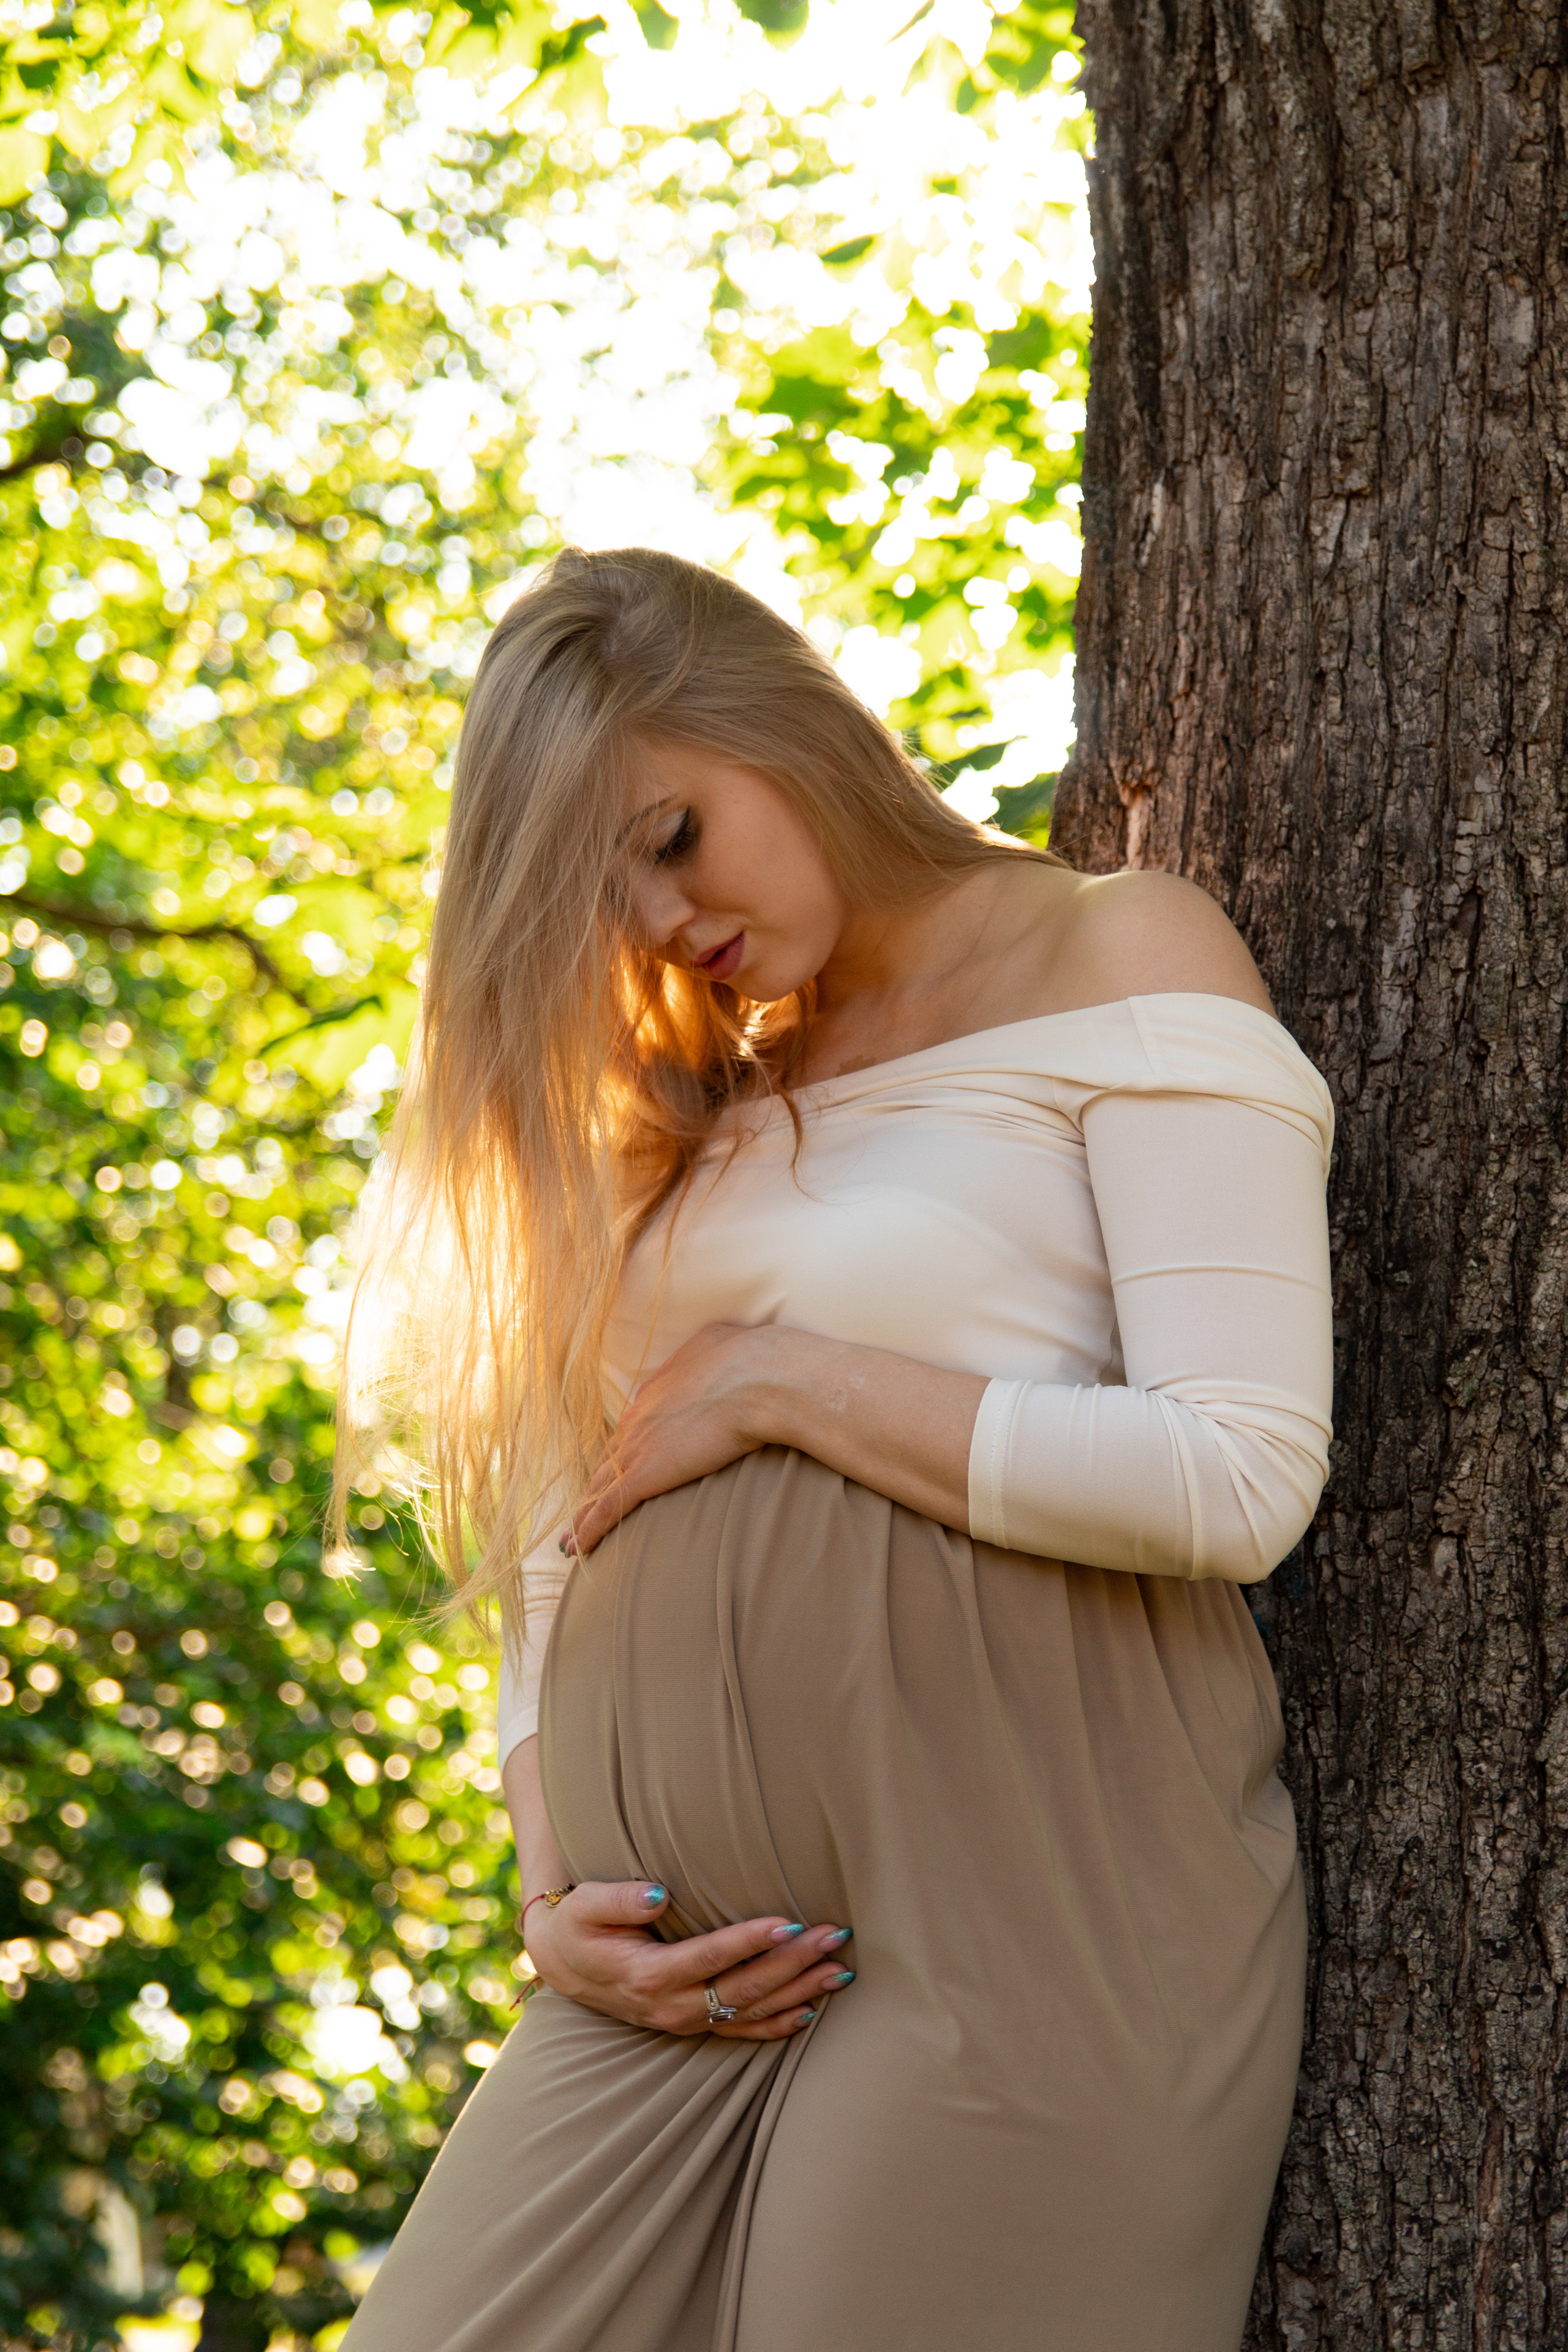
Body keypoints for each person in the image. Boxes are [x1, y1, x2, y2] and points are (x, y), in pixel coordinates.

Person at [339, 545, 1333, 2352]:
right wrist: (550, 1872)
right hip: (666, 1972)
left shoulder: (1115, 948)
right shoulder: (704, 1091)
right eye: (605, 896)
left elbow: (1238, 1471)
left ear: (777, 726)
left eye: (671, 835)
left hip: (1026, 1904)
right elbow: (574, 1511)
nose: (661, 922)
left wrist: (788, 1381)